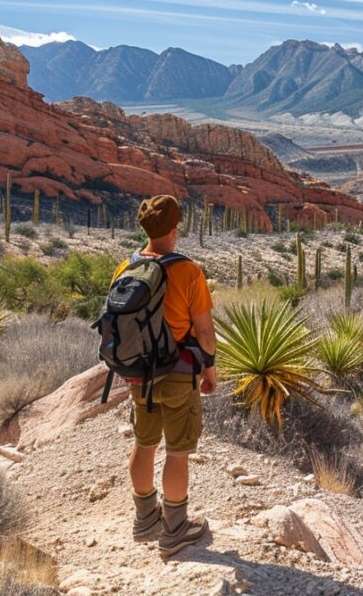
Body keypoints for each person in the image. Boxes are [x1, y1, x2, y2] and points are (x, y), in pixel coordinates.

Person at [115, 195, 217, 558]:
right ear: (175, 229)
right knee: (178, 450)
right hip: (177, 372)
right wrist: (210, 368)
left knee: (144, 443)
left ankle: (145, 519)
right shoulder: (188, 271)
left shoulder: (126, 267)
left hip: (138, 373)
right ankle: (175, 529)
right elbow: (204, 331)